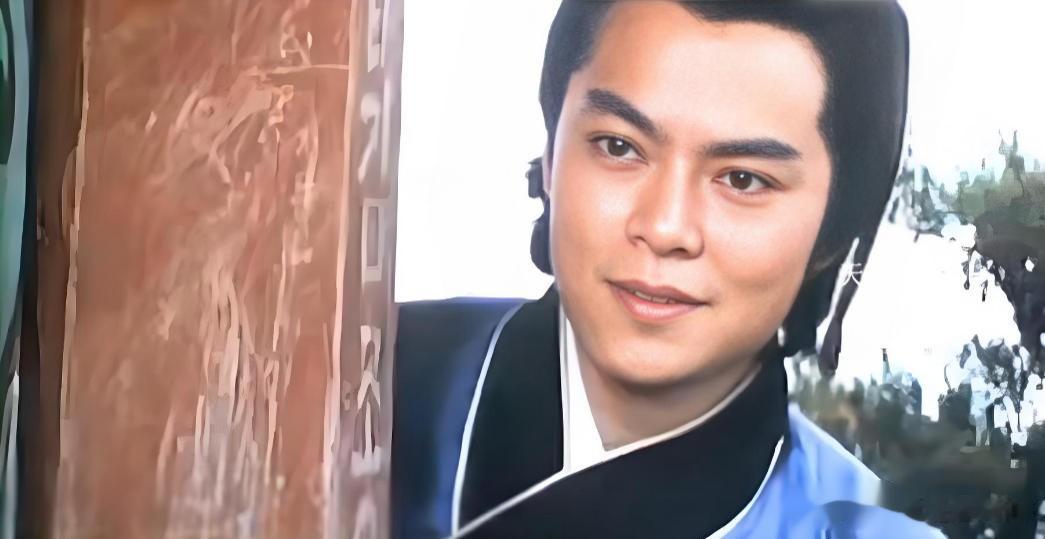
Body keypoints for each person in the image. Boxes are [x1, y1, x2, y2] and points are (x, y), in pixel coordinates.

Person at [392, 1, 946, 537]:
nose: (663, 227)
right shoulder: (365, 378)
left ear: (833, 230)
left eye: (743, 180)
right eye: (618, 146)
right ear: (552, 153)